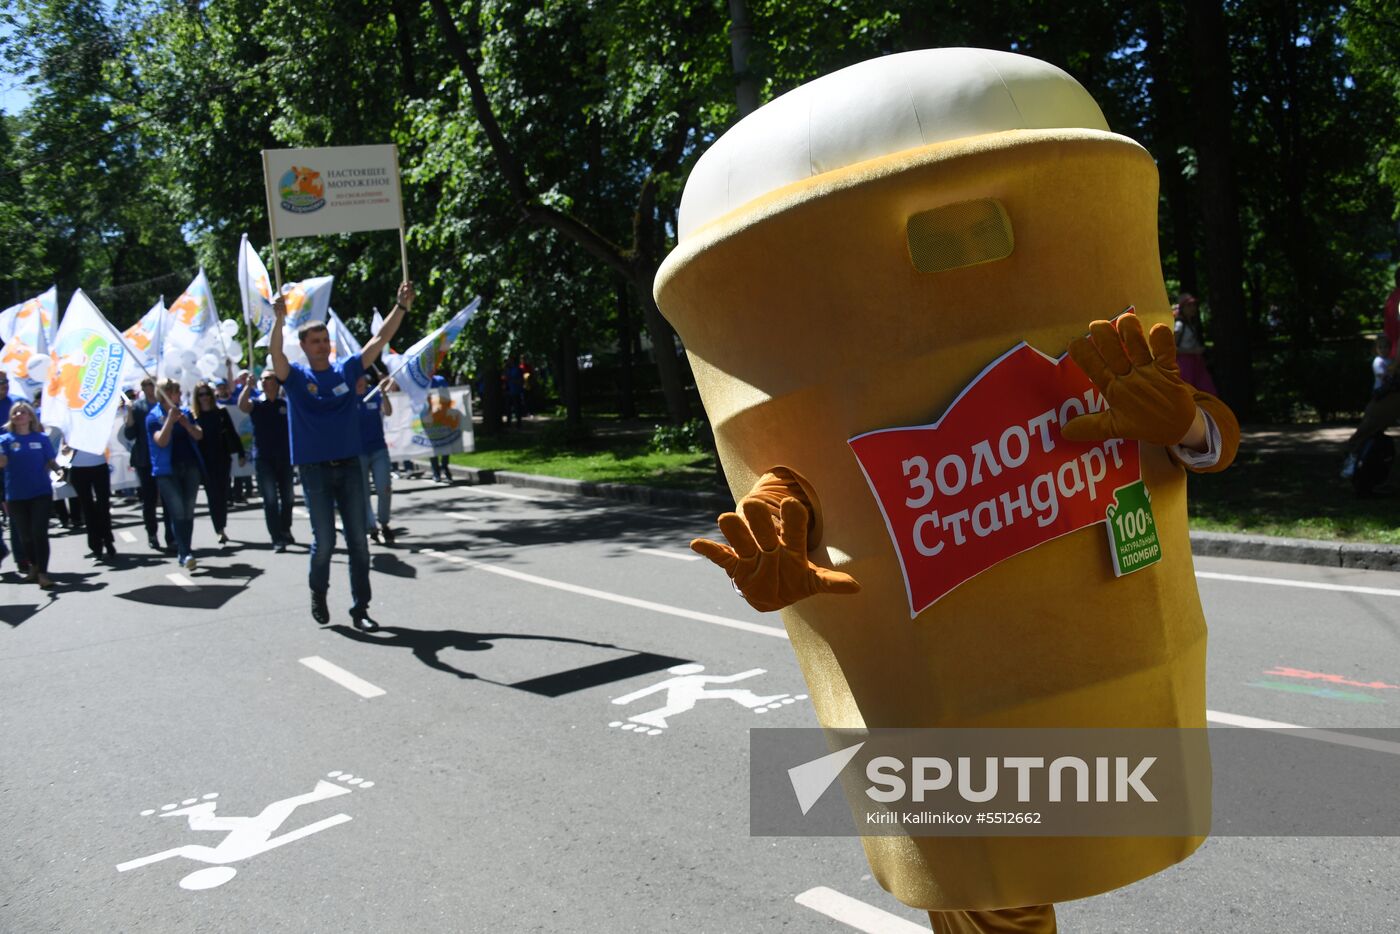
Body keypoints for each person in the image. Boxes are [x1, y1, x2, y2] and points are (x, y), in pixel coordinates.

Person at [270, 281, 413, 629]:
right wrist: (277, 320)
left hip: (350, 465)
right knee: (325, 542)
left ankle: (360, 609)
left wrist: (402, 307)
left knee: (359, 544)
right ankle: (318, 591)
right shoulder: (296, 377)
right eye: (314, 341)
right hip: (314, 470)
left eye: (324, 340)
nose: (321, 345)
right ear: (304, 346)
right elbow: (276, 356)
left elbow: (378, 342)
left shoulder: (347, 370)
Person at [1342, 269, 1400, 478]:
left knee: (1373, 418)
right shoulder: (1397, 300)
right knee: (1374, 419)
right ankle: (1354, 458)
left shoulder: (1394, 299)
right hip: (1396, 375)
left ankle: (1355, 457)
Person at [0, 401, 60, 587]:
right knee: (25, 536)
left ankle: (43, 573)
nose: (19, 414)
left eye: (23, 412)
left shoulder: (41, 438)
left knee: (39, 533)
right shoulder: (5, 440)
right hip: (16, 495)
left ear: (30, 416)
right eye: (16, 412)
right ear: (11, 417)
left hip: (40, 492)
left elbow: (51, 461)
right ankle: (34, 566)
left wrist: (60, 470)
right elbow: (2, 464)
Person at [147, 379, 205, 570]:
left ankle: (185, 550)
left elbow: (198, 435)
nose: (179, 396)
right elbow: (161, 442)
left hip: (190, 467)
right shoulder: (154, 417)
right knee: (178, 512)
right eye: (176, 392)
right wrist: (170, 422)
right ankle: (185, 552)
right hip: (167, 471)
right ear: (165, 395)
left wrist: (186, 424)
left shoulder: (186, 412)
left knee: (188, 512)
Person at [239, 369, 296, 551]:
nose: (264, 382)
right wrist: (247, 387)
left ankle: (285, 528)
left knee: (288, 498)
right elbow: (242, 405)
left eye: (269, 378)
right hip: (264, 459)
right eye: (262, 379)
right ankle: (276, 537)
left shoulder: (285, 404)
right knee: (270, 499)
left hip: (285, 457)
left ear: (276, 382)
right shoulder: (256, 404)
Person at [193, 380, 245, 544]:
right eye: (201, 395)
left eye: (207, 393)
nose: (205, 397)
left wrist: (241, 453)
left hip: (223, 458)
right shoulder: (194, 416)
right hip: (205, 461)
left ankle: (222, 523)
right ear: (197, 397)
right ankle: (219, 529)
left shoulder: (221, 412)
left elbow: (232, 433)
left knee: (223, 494)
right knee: (213, 494)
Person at [123, 377, 168, 551]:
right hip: (144, 458)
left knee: (166, 498)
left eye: (154, 384)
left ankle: (170, 536)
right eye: (149, 385)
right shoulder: (138, 407)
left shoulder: (164, 404)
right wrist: (130, 414)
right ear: (143, 388)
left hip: (163, 456)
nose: (152, 388)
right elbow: (130, 435)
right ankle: (152, 534)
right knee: (149, 499)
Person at [358, 375, 395, 545]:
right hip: (358, 452)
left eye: (362, 379)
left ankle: (384, 522)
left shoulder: (375, 394)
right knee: (363, 493)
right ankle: (370, 526)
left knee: (384, 488)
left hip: (379, 449)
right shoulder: (348, 398)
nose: (360, 382)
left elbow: (388, 412)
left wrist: (384, 393)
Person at [65, 441, 116, 561]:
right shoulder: (72, 425)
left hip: (99, 466)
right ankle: (96, 546)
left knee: (103, 506)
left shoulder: (97, 422)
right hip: (79, 469)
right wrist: (66, 450)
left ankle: (108, 541)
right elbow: (65, 448)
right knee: (88, 509)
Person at [1173, 293, 1218, 394]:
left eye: (1193, 305)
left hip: (1196, 363)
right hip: (1184, 364)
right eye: (1189, 305)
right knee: (1189, 393)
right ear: (1182, 308)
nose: (1192, 308)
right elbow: (1173, 349)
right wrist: (1193, 351)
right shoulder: (1179, 325)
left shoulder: (1191, 324)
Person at [427, 374, 452, 482]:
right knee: (433, 445)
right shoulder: (421, 383)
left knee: (446, 443)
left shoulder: (440, 379)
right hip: (428, 417)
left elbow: (448, 395)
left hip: (442, 415)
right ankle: (435, 471)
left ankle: (445, 467)